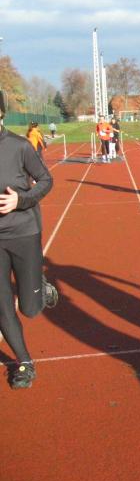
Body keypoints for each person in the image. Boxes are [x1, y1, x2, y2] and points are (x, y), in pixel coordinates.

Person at [0, 94, 58, 389]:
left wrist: (20, 200)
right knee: (2, 307)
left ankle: (40, 284)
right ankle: (24, 362)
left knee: (30, 308)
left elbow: (46, 180)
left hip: (23, 232)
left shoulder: (19, 146)